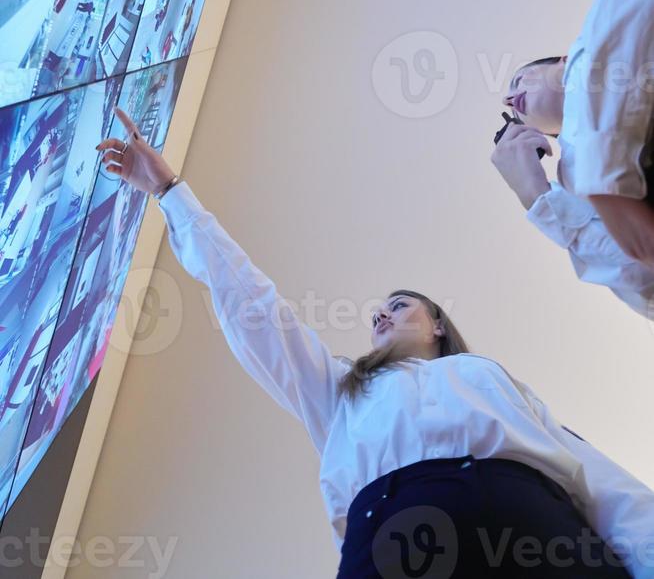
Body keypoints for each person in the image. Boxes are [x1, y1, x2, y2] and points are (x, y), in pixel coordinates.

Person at [96, 107, 654, 577]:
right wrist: (170, 192)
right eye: (378, 312)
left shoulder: (489, 377)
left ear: (437, 324)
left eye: (400, 305)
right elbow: (256, 310)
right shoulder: (341, 393)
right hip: (391, 546)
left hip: (541, 533)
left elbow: (598, 482)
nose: (381, 316)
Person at [492, 0, 654, 315]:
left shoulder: (593, 42)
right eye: (514, 110)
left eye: (520, 79)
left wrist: (606, 186)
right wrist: (537, 197)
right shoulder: (571, 182)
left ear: (564, 61)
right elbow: (642, 282)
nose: (510, 100)